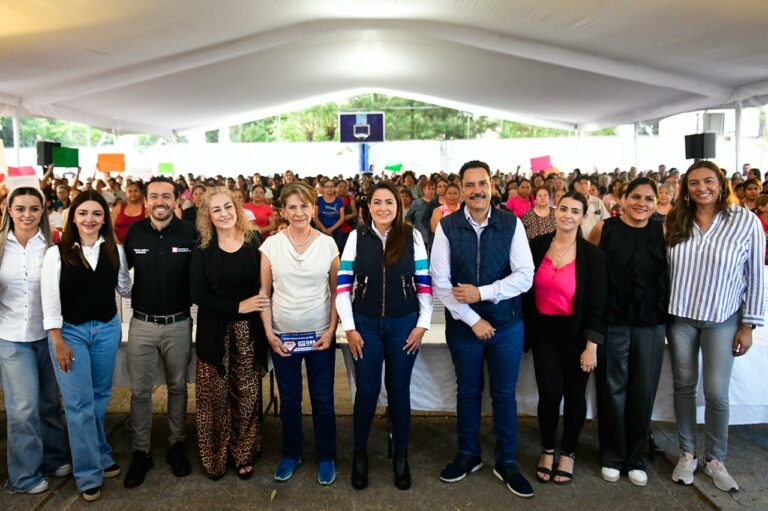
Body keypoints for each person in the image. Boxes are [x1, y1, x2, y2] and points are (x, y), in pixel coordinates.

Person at [430, 160, 535, 498]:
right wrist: (474, 318)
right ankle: (468, 455)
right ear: (460, 190)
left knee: (505, 394)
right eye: (470, 184)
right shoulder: (446, 227)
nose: (477, 190)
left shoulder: (511, 223)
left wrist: (483, 293)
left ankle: (506, 461)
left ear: (492, 186)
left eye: (483, 183)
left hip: (506, 325)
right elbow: (440, 283)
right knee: (468, 391)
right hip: (463, 327)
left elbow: (524, 275)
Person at [665, 161, 764, 493]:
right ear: (686, 188)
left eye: (708, 181)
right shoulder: (676, 220)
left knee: (717, 392)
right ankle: (687, 453)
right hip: (680, 317)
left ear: (721, 184)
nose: (701, 187)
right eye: (693, 183)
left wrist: (749, 324)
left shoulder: (745, 221)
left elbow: (756, 276)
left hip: (723, 318)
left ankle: (716, 458)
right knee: (683, 386)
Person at [336, 182, 433, 491]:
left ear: (398, 205)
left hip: (404, 325)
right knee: (366, 391)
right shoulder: (355, 237)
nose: (383, 208)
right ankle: (360, 454)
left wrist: (423, 324)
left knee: (399, 391)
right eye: (377, 202)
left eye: (389, 202)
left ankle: (401, 457)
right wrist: (349, 328)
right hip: (364, 326)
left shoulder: (412, 236)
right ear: (368, 207)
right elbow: (342, 287)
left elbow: (424, 284)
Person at [41, 191, 132, 502]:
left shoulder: (115, 250)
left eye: (96, 213)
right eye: (83, 213)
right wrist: (58, 340)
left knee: (98, 398)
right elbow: (50, 302)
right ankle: (88, 472)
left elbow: (124, 288)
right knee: (79, 406)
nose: (89, 219)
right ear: (73, 218)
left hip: (107, 329)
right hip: (71, 333)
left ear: (104, 218)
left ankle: (102, 453)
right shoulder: (55, 254)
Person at [259, 181, 340, 485]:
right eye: (291, 207)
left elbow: (336, 293)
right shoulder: (270, 246)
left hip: (319, 335)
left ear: (313, 209)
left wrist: (331, 331)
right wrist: (269, 334)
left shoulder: (328, 244)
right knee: (290, 399)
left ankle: (326, 455)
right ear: (283, 211)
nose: (298, 212)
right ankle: (291, 453)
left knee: (322, 399)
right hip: (283, 337)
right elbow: (264, 293)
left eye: (304, 206)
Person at [588, 178, 668, 487]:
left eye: (649, 198)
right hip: (612, 322)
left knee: (642, 390)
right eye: (636, 196)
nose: (642, 203)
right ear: (622, 198)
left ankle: (635, 457)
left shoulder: (661, 232)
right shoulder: (604, 229)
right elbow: (591, 273)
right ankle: (612, 454)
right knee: (611, 390)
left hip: (650, 323)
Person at [524, 191, 606, 486]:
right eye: (564, 209)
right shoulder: (536, 246)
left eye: (575, 211)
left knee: (574, 396)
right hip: (544, 332)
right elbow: (523, 289)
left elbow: (598, 305)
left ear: (583, 217)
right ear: (555, 211)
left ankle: (568, 452)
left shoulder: (593, 256)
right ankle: (547, 449)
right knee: (548, 394)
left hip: (577, 336)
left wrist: (591, 346)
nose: (568, 215)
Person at [122, 177, 197, 488]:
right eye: (154, 196)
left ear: (176, 200)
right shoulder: (135, 233)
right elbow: (119, 275)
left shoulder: (191, 234)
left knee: (178, 388)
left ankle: (176, 446)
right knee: (139, 392)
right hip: (141, 324)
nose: (160, 201)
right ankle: (141, 452)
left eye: (166, 196)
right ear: (146, 201)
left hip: (179, 324)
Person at [191, 187, 269, 480]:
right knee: (214, 398)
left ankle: (244, 453)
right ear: (208, 216)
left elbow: (263, 286)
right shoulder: (202, 247)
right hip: (215, 332)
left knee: (246, 396)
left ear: (237, 208)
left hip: (249, 333)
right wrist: (238, 305)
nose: (224, 214)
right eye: (216, 210)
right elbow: (197, 294)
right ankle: (215, 456)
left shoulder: (253, 241)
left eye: (228, 207)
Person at [0, 187, 70, 495]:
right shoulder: (1, 246)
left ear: (43, 211)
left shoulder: (52, 245)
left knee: (48, 402)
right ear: (9, 210)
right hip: (12, 337)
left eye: (33, 208)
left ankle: (54, 457)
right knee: (23, 408)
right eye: (20, 208)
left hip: (48, 335)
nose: (27, 214)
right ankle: (24, 474)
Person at [316, 178, 346, 252]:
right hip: (321, 229)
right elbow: (315, 217)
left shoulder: (339, 200)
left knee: (336, 250)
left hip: (336, 230)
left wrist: (331, 229)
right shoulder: (318, 200)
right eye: (327, 186)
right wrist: (324, 230)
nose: (330, 188)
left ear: (335, 188)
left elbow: (342, 218)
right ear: (323, 188)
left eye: (332, 186)